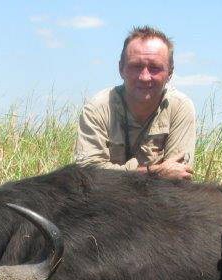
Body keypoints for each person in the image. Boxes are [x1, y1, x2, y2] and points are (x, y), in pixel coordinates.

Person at [75, 26, 196, 180]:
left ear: (170, 73)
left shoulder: (180, 107)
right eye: (136, 66)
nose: (145, 77)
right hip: (104, 201)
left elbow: (178, 176)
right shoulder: (97, 109)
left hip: (159, 200)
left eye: (155, 68)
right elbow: (88, 176)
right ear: (121, 68)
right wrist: (156, 172)